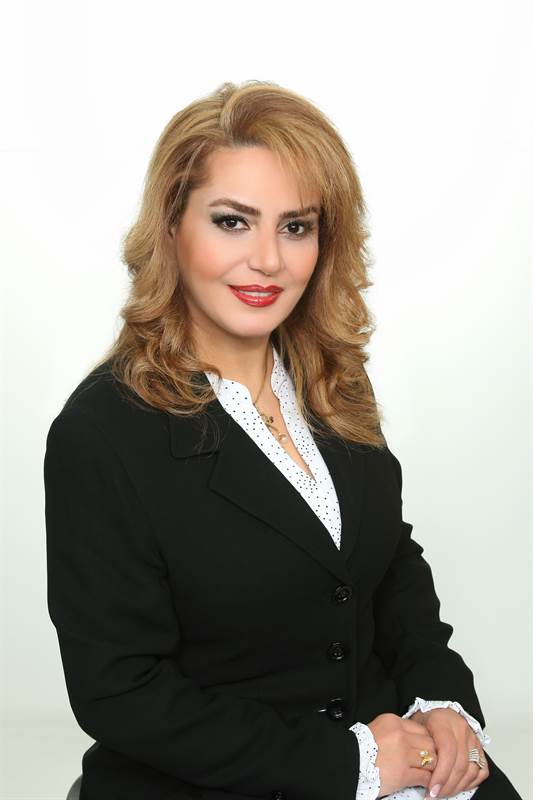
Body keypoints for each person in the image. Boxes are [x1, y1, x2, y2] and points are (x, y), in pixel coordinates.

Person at [44, 80, 523, 800]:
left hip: (397, 745)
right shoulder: (101, 432)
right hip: (221, 779)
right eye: (232, 222)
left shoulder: (331, 381)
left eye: (295, 227)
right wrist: (355, 765)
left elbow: (387, 560)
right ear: (171, 228)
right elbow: (122, 690)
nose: (268, 260)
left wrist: (440, 700)